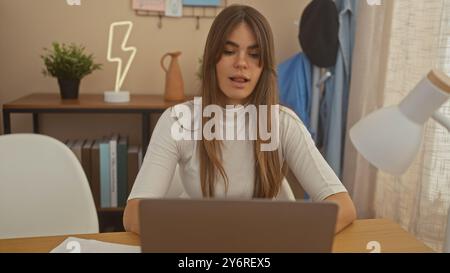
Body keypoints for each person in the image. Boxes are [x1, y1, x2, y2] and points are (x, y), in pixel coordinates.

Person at [123, 4, 356, 234]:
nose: (241, 63)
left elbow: (343, 208)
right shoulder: (178, 121)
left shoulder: (283, 124)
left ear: (263, 66)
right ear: (213, 58)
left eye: (254, 55)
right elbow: (133, 215)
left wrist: (290, 236)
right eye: (229, 51)